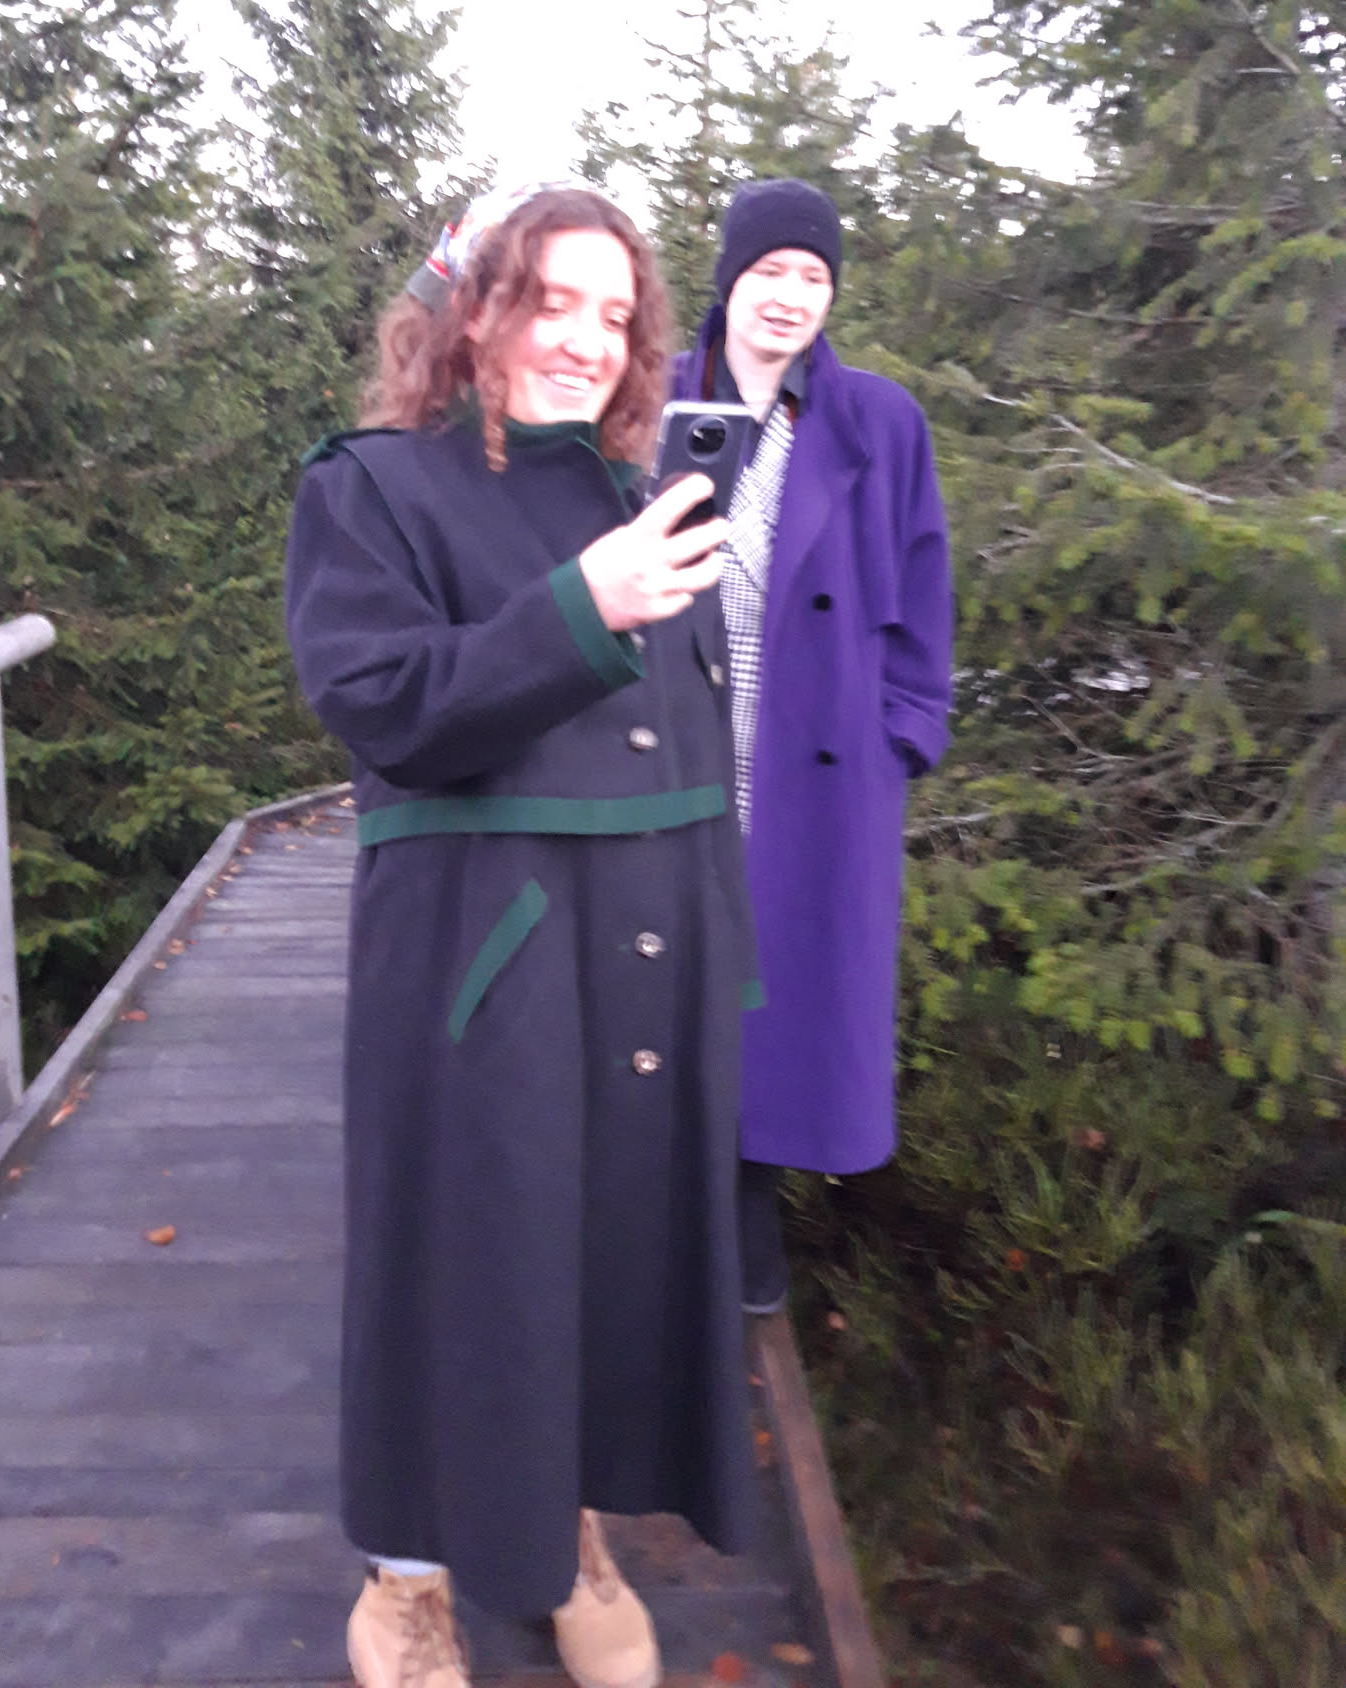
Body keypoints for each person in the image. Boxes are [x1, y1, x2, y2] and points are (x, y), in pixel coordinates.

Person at [285, 187, 759, 1688]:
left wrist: (725, 943)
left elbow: (695, 737)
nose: (585, 340)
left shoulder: (641, 498)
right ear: (473, 313)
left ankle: (562, 1535)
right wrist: (581, 607)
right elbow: (386, 707)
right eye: (551, 301)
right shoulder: (373, 487)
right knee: (458, 1264)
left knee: (600, 1258)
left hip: (648, 954)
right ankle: (407, 1581)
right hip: (479, 960)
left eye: (614, 316)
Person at [672, 177, 954, 1313]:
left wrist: (905, 731)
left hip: (817, 758)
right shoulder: (653, 400)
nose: (790, 295)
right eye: (769, 271)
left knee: (775, 992)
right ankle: (661, 1220)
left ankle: (748, 1228)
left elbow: (924, 583)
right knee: (668, 973)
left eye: (813, 277)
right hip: (679, 738)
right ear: (728, 279)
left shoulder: (877, 421)